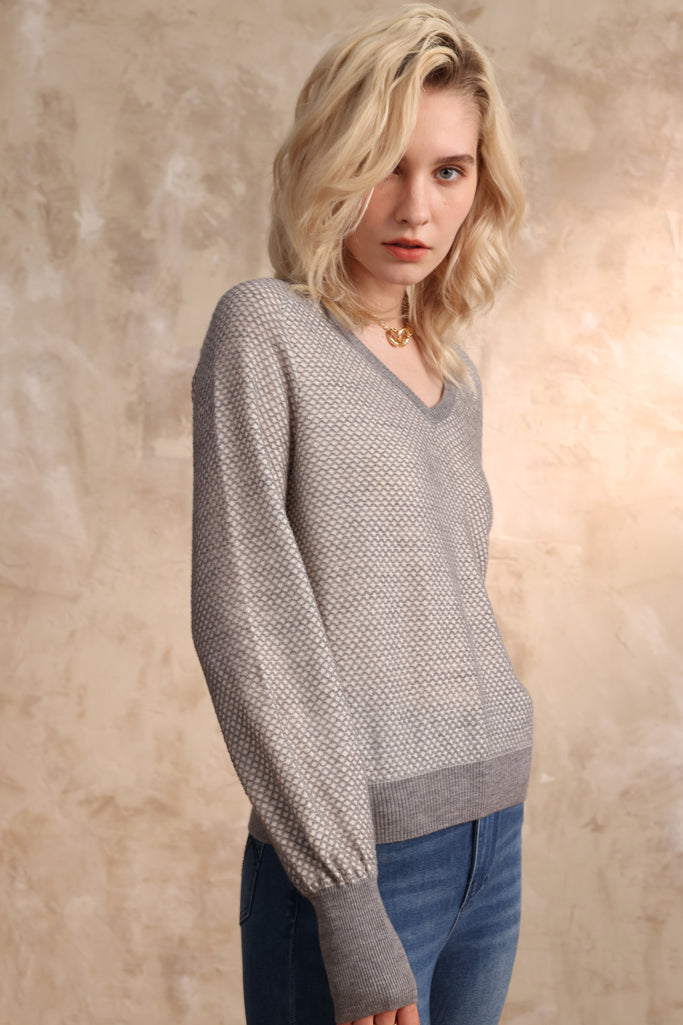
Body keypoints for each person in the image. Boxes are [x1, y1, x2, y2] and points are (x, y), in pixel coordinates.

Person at [191, 4, 533, 1024]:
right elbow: (247, 621)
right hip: (363, 857)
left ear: (479, 183)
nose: (416, 207)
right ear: (329, 164)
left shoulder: (450, 372)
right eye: (384, 165)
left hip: (491, 834)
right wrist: (342, 893)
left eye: (448, 171)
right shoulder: (265, 330)